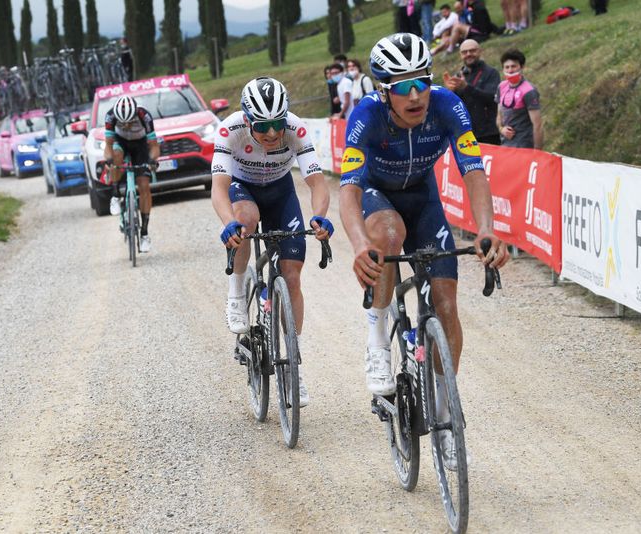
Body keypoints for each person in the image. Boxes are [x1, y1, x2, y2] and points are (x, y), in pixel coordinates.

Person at [338, 33, 508, 468]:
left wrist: (487, 229)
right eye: (402, 86)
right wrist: (359, 245)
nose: (415, 95)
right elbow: (349, 192)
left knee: (446, 304)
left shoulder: (448, 105)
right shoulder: (366, 116)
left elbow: (473, 171)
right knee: (388, 235)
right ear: (383, 90)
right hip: (378, 196)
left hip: (424, 198)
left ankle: (446, 414)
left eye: (422, 83)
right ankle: (378, 338)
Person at [211, 77, 333, 407]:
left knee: (292, 276)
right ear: (247, 119)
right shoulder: (230, 129)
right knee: (245, 220)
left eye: (277, 124)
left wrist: (319, 216)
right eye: (262, 126)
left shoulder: (295, 129)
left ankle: (293, 365)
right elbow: (219, 188)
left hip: (281, 192)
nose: (271, 133)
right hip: (243, 189)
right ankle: (237, 292)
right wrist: (228, 223)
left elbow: (318, 184)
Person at [103, 95, 161, 252]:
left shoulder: (144, 115)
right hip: (120, 142)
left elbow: (154, 146)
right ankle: (115, 194)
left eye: (129, 121)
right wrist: (109, 160)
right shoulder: (110, 116)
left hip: (140, 144)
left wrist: (152, 160)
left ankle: (144, 234)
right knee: (115, 156)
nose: (127, 125)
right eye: (123, 123)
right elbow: (108, 146)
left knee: (144, 186)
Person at [442, 39, 501, 145]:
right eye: (464, 52)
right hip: (465, 134)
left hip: (489, 134)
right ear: (460, 55)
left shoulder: (491, 72)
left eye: (472, 51)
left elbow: (493, 98)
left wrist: (467, 87)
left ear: (480, 51)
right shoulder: (458, 76)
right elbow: (451, 107)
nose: (468, 54)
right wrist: (449, 92)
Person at [495, 48, 543, 149]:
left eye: (513, 66)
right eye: (507, 67)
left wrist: (537, 152)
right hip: (505, 144)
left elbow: (538, 125)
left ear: (521, 67)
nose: (510, 70)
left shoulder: (529, 90)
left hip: (524, 145)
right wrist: (501, 129)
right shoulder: (501, 86)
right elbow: (499, 114)